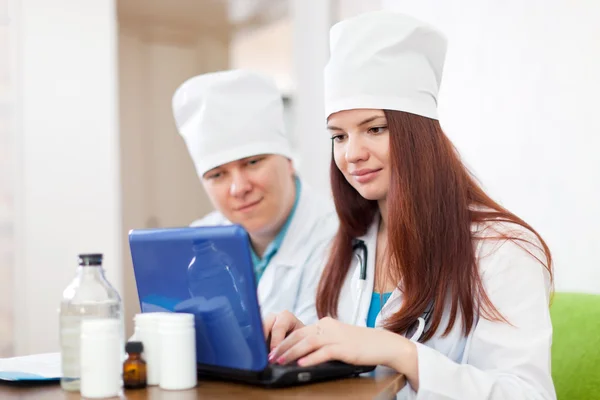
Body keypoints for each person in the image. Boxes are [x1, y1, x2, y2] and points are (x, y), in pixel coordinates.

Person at [263, 11, 555, 399]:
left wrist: (400, 353)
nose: (352, 154)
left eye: (375, 129)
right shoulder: (347, 245)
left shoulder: (503, 250)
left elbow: (528, 394)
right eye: (339, 136)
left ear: (419, 135)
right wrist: (308, 342)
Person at [171, 69, 338, 324]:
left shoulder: (340, 235)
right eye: (217, 175)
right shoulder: (197, 242)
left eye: (252, 162)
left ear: (289, 161)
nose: (239, 188)